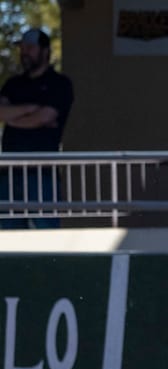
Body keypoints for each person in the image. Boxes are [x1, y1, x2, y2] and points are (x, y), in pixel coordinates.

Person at [0, 28, 74, 229]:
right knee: (7, 238)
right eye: (22, 47)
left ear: (45, 51)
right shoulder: (13, 84)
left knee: (47, 234)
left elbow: (45, 116)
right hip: (8, 173)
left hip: (42, 174)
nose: (25, 52)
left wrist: (13, 117)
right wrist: (30, 108)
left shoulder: (59, 84)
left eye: (30, 47)